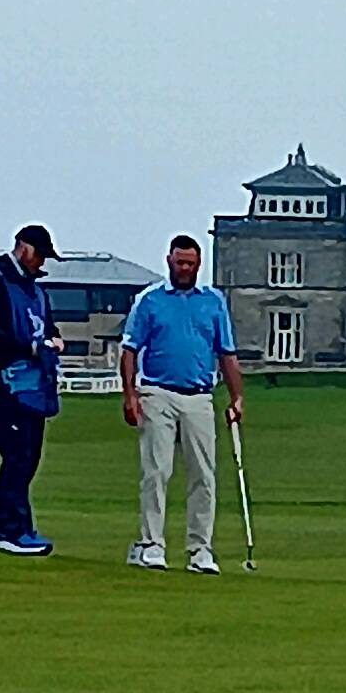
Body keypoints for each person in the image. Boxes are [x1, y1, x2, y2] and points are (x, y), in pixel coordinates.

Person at [119, 235, 245, 575]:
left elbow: (227, 353)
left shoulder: (213, 301)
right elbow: (129, 350)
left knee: (203, 474)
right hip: (157, 393)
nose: (185, 268)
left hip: (199, 395)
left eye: (190, 263)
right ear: (169, 261)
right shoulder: (150, 300)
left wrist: (237, 397)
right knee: (157, 471)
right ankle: (152, 544)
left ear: (199, 264)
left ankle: (200, 549)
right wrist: (130, 394)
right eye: (180, 262)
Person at [0, 225, 65, 556]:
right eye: (39, 255)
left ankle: (10, 526)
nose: (41, 262)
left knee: (29, 455)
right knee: (17, 454)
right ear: (23, 248)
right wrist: (28, 347)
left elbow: (47, 325)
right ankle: (9, 529)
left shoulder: (37, 291)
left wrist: (54, 339)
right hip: (3, 381)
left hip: (35, 384)